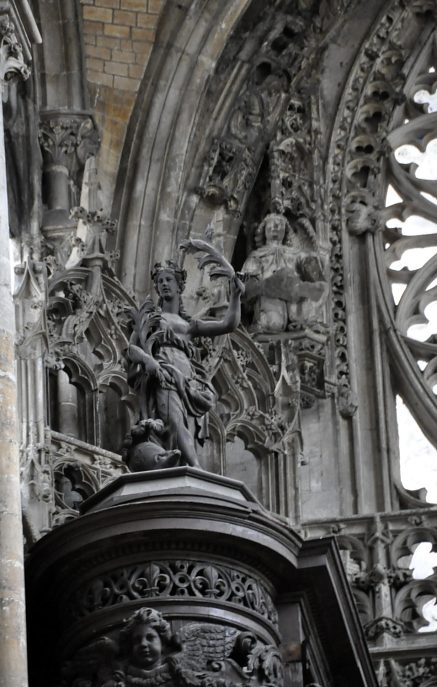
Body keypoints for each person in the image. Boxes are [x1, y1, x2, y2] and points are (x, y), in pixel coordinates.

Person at [127, 260, 244, 469]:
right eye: (160, 281)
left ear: (179, 285)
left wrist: (236, 296)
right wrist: (148, 360)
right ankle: (193, 467)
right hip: (164, 373)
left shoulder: (190, 325)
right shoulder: (151, 318)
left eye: (169, 280)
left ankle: (183, 463)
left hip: (188, 381)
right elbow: (131, 349)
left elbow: (229, 324)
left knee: (184, 425)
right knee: (173, 421)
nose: (164, 284)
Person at [242, 213, 326, 333]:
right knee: (274, 323)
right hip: (269, 298)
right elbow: (246, 288)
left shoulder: (295, 254)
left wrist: (311, 265)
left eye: (281, 224)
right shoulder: (257, 256)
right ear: (263, 229)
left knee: (303, 311)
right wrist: (267, 285)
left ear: (286, 231)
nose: (276, 225)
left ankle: (304, 323)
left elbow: (312, 272)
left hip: (294, 297)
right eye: (272, 222)